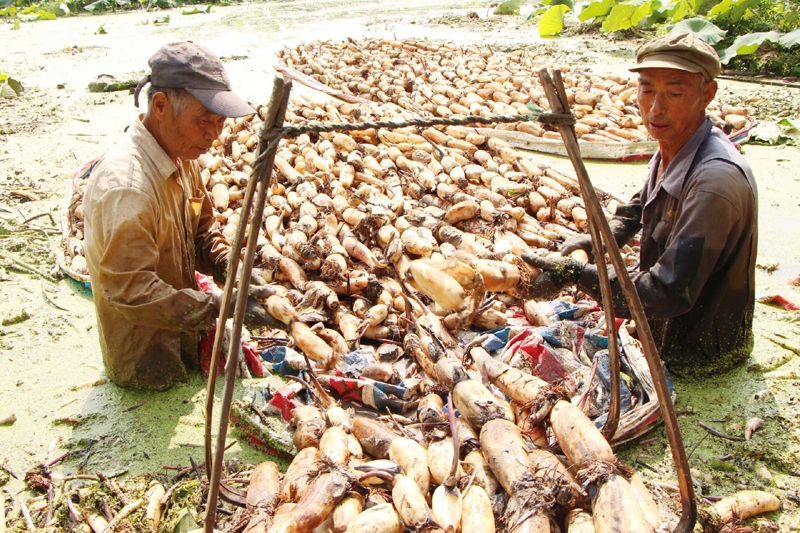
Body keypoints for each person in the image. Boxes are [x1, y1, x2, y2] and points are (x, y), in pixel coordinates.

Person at [523, 33, 758, 377]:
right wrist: (600, 241)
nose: (655, 107)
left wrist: (576, 274)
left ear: (707, 94)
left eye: (674, 93)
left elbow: (667, 292)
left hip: (699, 355)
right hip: (664, 333)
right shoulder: (677, 143)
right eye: (647, 90)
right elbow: (637, 209)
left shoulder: (714, 182)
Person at [84, 42, 273, 390]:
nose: (214, 135)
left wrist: (228, 267)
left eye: (219, 122)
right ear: (160, 106)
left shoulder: (183, 159)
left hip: (186, 332)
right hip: (144, 360)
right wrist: (218, 306)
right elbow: (129, 290)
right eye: (204, 121)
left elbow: (201, 231)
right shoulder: (127, 189)